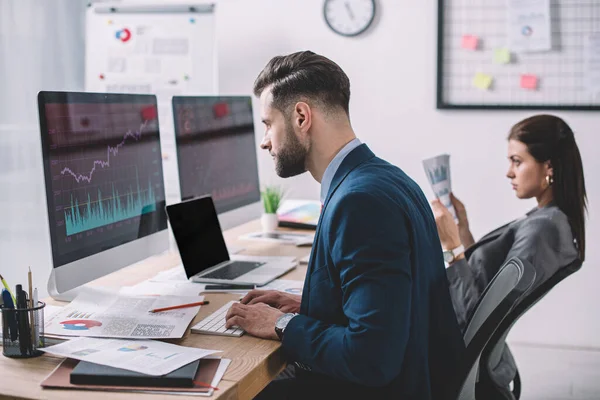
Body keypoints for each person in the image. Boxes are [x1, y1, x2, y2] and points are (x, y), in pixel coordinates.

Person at [224, 50, 464, 400]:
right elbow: (391, 307)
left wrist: (278, 324)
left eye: (267, 124)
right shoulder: (386, 177)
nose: (265, 141)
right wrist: (308, 305)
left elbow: (371, 357)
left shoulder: (359, 202)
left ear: (301, 116)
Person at [431, 114, 587, 395]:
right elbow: (490, 288)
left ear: (548, 166)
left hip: (448, 345)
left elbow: (478, 321)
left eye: (517, 161)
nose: (509, 172)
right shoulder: (545, 220)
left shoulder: (545, 229)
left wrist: (453, 249)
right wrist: (463, 234)